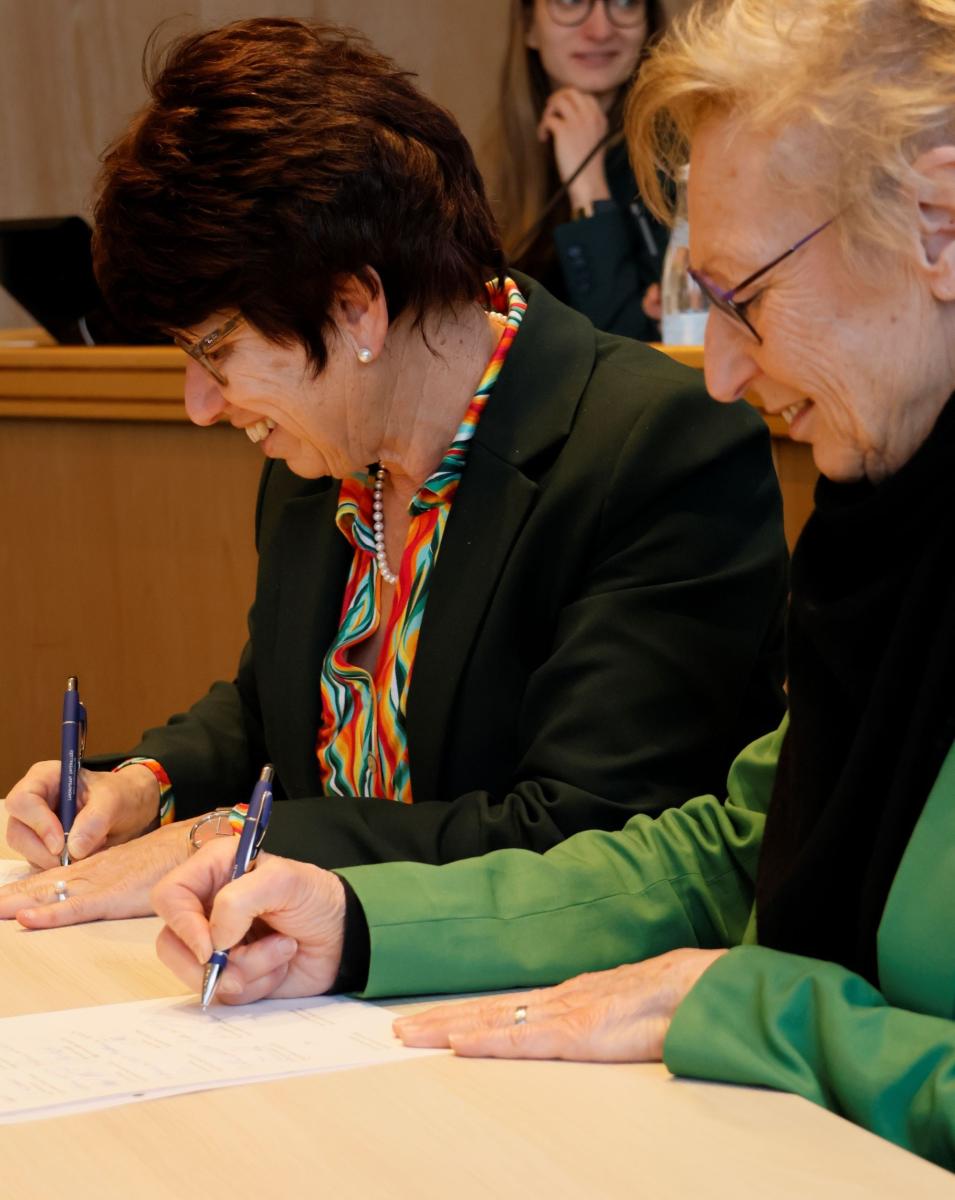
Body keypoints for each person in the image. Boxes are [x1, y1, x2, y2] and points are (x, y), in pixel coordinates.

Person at [153, 0, 955, 1171]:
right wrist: (360, 923)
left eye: (746, 301)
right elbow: (727, 849)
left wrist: (763, 1015)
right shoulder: (887, 522)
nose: (722, 376)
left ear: (937, 222)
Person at [0, 18, 786, 926]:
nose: (201, 403)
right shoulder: (323, 451)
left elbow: (581, 831)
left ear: (354, 308)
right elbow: (276, 713)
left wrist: (223, 841)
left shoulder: (653, 449)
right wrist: (142, 785)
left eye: (214, 348)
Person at [490, 0, 667, 339]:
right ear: (528, 25)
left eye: (625, 2)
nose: (600, 30)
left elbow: (636, 348)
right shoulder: (509, 153)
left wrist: (589, 188)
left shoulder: (679, 153)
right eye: (570, 2)